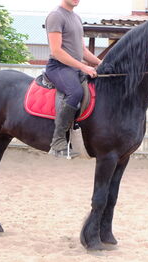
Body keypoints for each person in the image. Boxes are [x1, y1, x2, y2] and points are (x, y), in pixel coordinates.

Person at [45, 0, 102, 158]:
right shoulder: (56, 16)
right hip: (58, 67)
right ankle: (58, 142)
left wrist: (100, 63)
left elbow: (82, 50)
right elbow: (56, 51)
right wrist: (84, 67)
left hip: (73, 67)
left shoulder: (76, 18)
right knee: (75, 92)